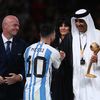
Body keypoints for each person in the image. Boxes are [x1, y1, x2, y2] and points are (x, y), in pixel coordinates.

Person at [23, 22, 65, 100]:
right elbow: (57, 66)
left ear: (40, 34)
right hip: (42, 94)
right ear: (53, 34)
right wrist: (61, 58)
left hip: (27, 93)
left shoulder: (28, 49)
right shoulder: (52, 51)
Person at [71, 9, 100, 100]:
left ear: (87, 21)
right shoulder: (73, 38)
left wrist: (98, 59)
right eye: (76, 21)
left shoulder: (98, 34)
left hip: (95, 79)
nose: (78, 24)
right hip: (78, 80)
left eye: (81, 21)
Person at [0, 15, 27, 100]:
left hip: (16, 92)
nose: (17, 28)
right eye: (14, 25)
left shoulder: (22, 44)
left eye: (18, 25)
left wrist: (19, 77)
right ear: (5, 25)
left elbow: (27, 65)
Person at [51, 16, 74, 100]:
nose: (63, 28)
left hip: (70, 75)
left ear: (70, 28)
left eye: (66, 26)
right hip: (56, 77)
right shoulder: (53, 42)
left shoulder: (75, 41)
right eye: (61, 26)